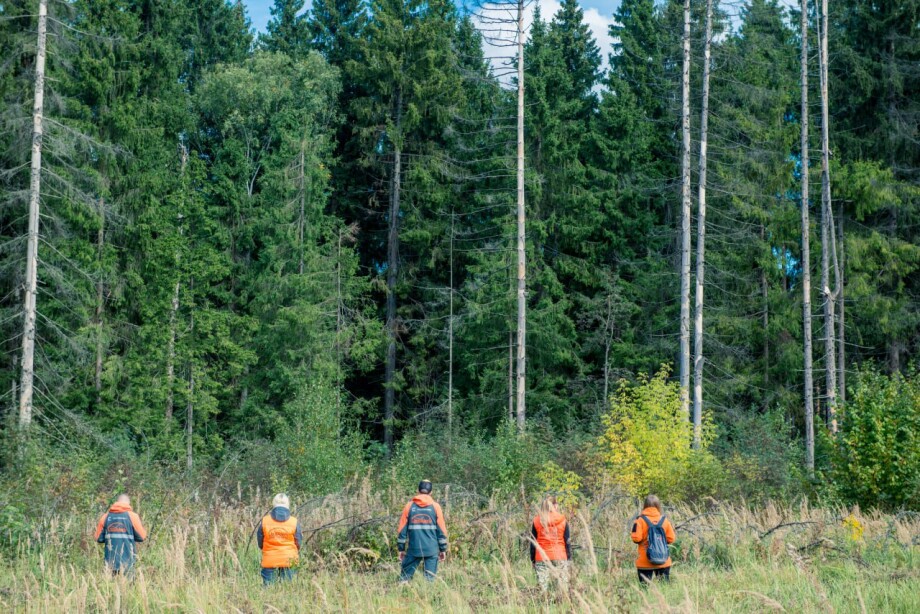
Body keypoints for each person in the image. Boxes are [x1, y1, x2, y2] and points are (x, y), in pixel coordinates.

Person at [396, 480, 448, 583]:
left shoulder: (409, 506)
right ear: (431, 492)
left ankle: (402, 596)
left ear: (418, 491)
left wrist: (401, 549)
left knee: (404, 578)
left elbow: (402, 530)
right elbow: (441, 530)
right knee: (429, 580)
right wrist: (443, 549)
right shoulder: (436, 507)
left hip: (414, 549)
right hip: (431, 549)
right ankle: (426, 597)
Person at [94, 493, 147, 577]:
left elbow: (98, 538)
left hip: (110, 563)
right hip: (128, 563)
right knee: (128, 588)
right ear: (128, 503)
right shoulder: (133, 516)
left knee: (110, 588)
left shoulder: (105, 517)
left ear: (117, 502)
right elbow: (142, 537)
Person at [530, 495, 572, 594]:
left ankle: (544, 606)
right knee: (563, 590)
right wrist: (569, 558)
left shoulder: (536, 520)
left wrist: (533, 559)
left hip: (541, 557)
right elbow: (567, 541)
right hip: (560, 556)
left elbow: (533, 543)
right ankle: (561, 605)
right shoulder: (562, 519)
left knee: (543, 589)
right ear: (555, 506)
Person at [257, 493, 302, 585]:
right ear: (288, 504)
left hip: (270, 558)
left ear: (273, 504)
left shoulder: (265, 521)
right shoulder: (294, 522)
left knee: (268, 589)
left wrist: (266, 549)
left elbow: (260, 541)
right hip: (289, 559)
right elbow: (298, 542)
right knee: (288, 590)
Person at [631, 494, 676, 584]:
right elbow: (671, 539)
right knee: (664, 588)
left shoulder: (639, 520)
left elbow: (636, 538)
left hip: (645, 561)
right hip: (663, 560)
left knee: (644, 589)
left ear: (645, 505)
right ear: (658, 506)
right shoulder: (664, 520)